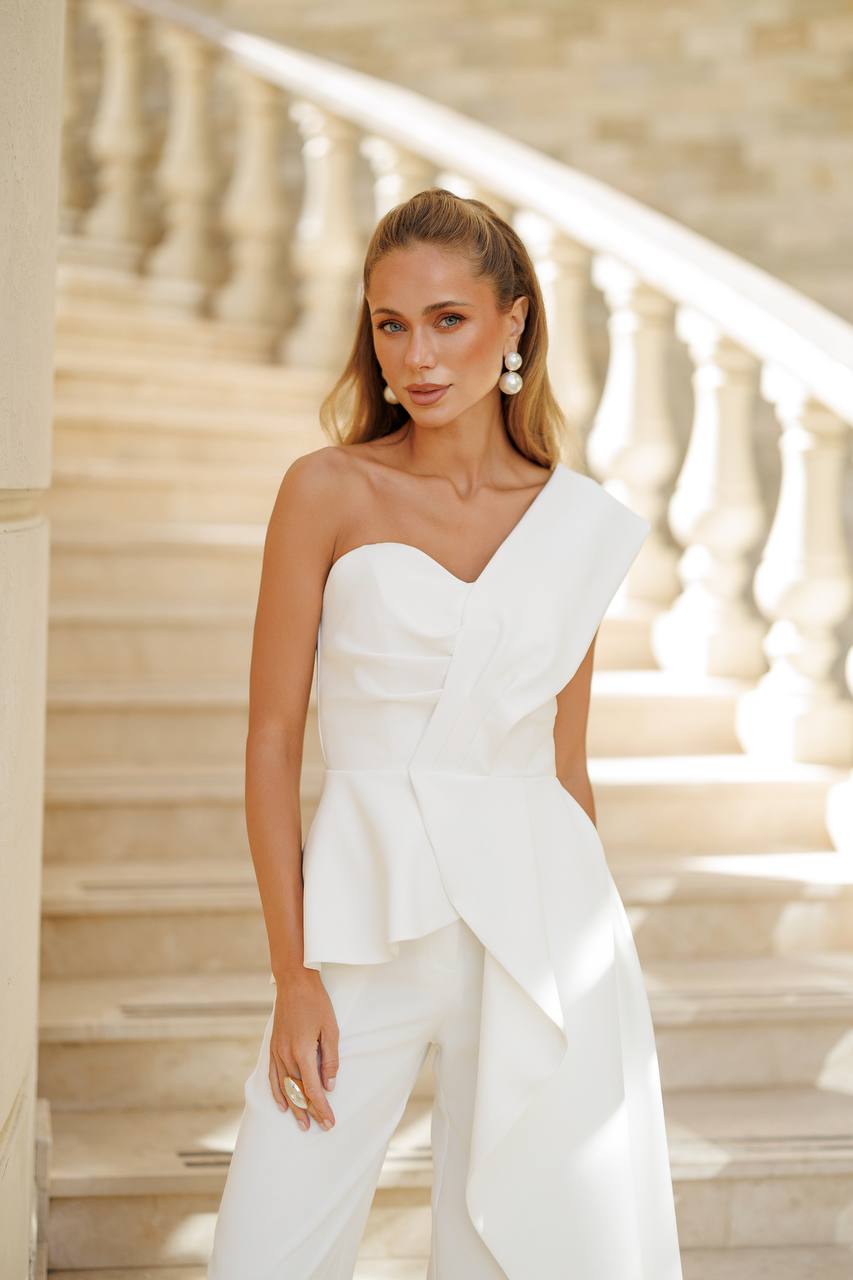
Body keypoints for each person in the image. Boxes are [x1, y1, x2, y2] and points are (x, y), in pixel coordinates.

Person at [207, 188, 683, 1279]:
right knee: (268, 1240)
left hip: (539, 920)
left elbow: (564, 765)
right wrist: (291, 973)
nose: (415, 356)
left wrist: (592, 962)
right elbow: (273, 741)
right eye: (391, 324)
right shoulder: (326, 490)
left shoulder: (574, 525)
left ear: (513, 321)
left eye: (447, 320)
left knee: (523, 1250)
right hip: (362, 917)